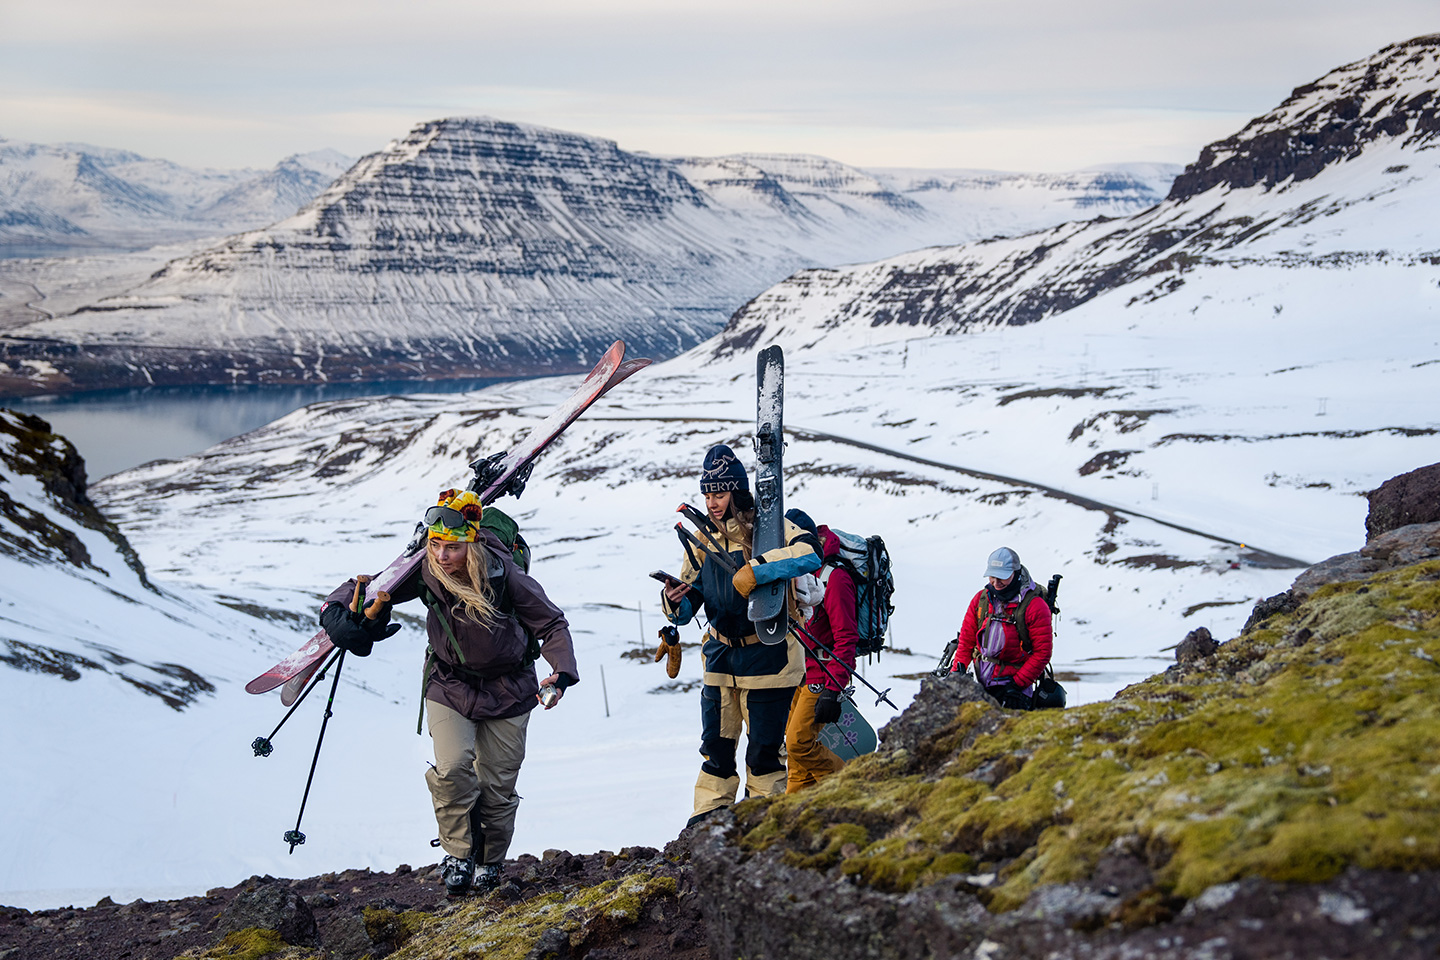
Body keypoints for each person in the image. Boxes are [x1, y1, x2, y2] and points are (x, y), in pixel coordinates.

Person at [320, 489, 579, 897]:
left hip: (509, 689)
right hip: (449, 684)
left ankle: (489, 862)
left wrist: (561, 673)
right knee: (453, 768)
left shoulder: (504, 574)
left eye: (453, 547)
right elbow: (369, 585)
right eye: (435, 544)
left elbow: (551, 623)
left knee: (496, 786)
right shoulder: (425, 569)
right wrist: (334, 610)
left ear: (471, 543)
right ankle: (458, 853)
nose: (442, 556)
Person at [661, 444, 821, 826]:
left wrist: (758, 569)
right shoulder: (702, 539)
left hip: (769, 656)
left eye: (718, 493)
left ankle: (763, 820)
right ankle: (709, 818)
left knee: (764, 751)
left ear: (737, 491)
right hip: (719, 658)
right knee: (715, 747)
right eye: (707, 494)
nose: (712, 502)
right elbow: (688, 604)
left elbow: (809, 552)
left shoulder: (771, 527)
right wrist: (673, 601)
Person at [783, 509, 859, 793]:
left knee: (798, 743)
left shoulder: (833, 578)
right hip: (796, 674)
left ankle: (849, 790)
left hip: (820, 676)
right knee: (796, 757)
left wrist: (834, 688)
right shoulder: (797, 572)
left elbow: (846, 637)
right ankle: (792, 817)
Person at [949, 546, 1052, 709]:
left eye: (1002, 577)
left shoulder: (1035, 606)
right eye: (992, 577)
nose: (996, 583)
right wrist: (955, 676)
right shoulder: (981, 600)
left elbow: (1042, 652)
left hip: (1015, 692)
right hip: (979, 687)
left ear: (1016, 574)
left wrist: (1016, 685)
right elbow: (966, 642)